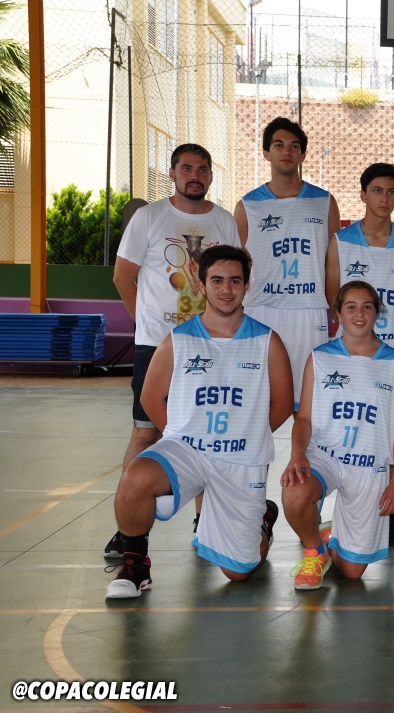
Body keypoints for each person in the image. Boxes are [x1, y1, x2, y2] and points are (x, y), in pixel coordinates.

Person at [105, 246, 294, 598]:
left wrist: (246, 435)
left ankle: (263, 520)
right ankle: (135, 565)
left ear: (246, 285)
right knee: (135, 478)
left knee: (239, 573)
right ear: (201, 285)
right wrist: (180, 432)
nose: (226, 289)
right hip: (188, 450)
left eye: (234, 281)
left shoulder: (267, 342)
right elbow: (150, 398)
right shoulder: (178, 339)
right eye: (217, 280)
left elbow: (283, 404)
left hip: (241, 458)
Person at [105, 142, 241, 559]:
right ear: (172, 173)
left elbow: (233, 278)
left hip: (210, 347)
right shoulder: (149, 217)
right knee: (146, 432)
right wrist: (147, 326)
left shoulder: (223, 221)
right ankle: (127, 531)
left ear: (210, 175)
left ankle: (205, 524)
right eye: (186, 168)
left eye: (202, 169)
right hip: (156, 347)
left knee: (208, 432)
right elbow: (122, 277)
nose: (194, 175)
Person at [279, 281, 394, 589]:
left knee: (352, 572)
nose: (359, 314)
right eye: (351, 307)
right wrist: (297, 454)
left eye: (367, 307)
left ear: (377, 313)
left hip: (369, 466)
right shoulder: (320, 357)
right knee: (294, 492)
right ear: (337, 314)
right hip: (326, 456)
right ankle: (315, 550)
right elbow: (304, 418)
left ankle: (332, 537)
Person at [325, 163, 394, 543]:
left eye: (392, 192)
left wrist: (393, 332)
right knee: (352, 426)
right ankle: (337, 505)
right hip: (353, 350)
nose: (385, 198)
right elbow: (334, 298)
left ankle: (391, 512)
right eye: (378, 190)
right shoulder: (341, 241)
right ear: (363, 194)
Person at [236, 117, 340, 411]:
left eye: (294, 146)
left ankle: (301, 445)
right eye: (279, 145)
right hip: (261, 308)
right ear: (266, 153)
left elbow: (334, 263)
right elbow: (237, 267)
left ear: (303, 155)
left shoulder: (325, 202)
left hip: (309, 308)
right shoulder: (247, 205)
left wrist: (335, 308)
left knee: (307, 403)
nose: (286, 151)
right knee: (257, 400)